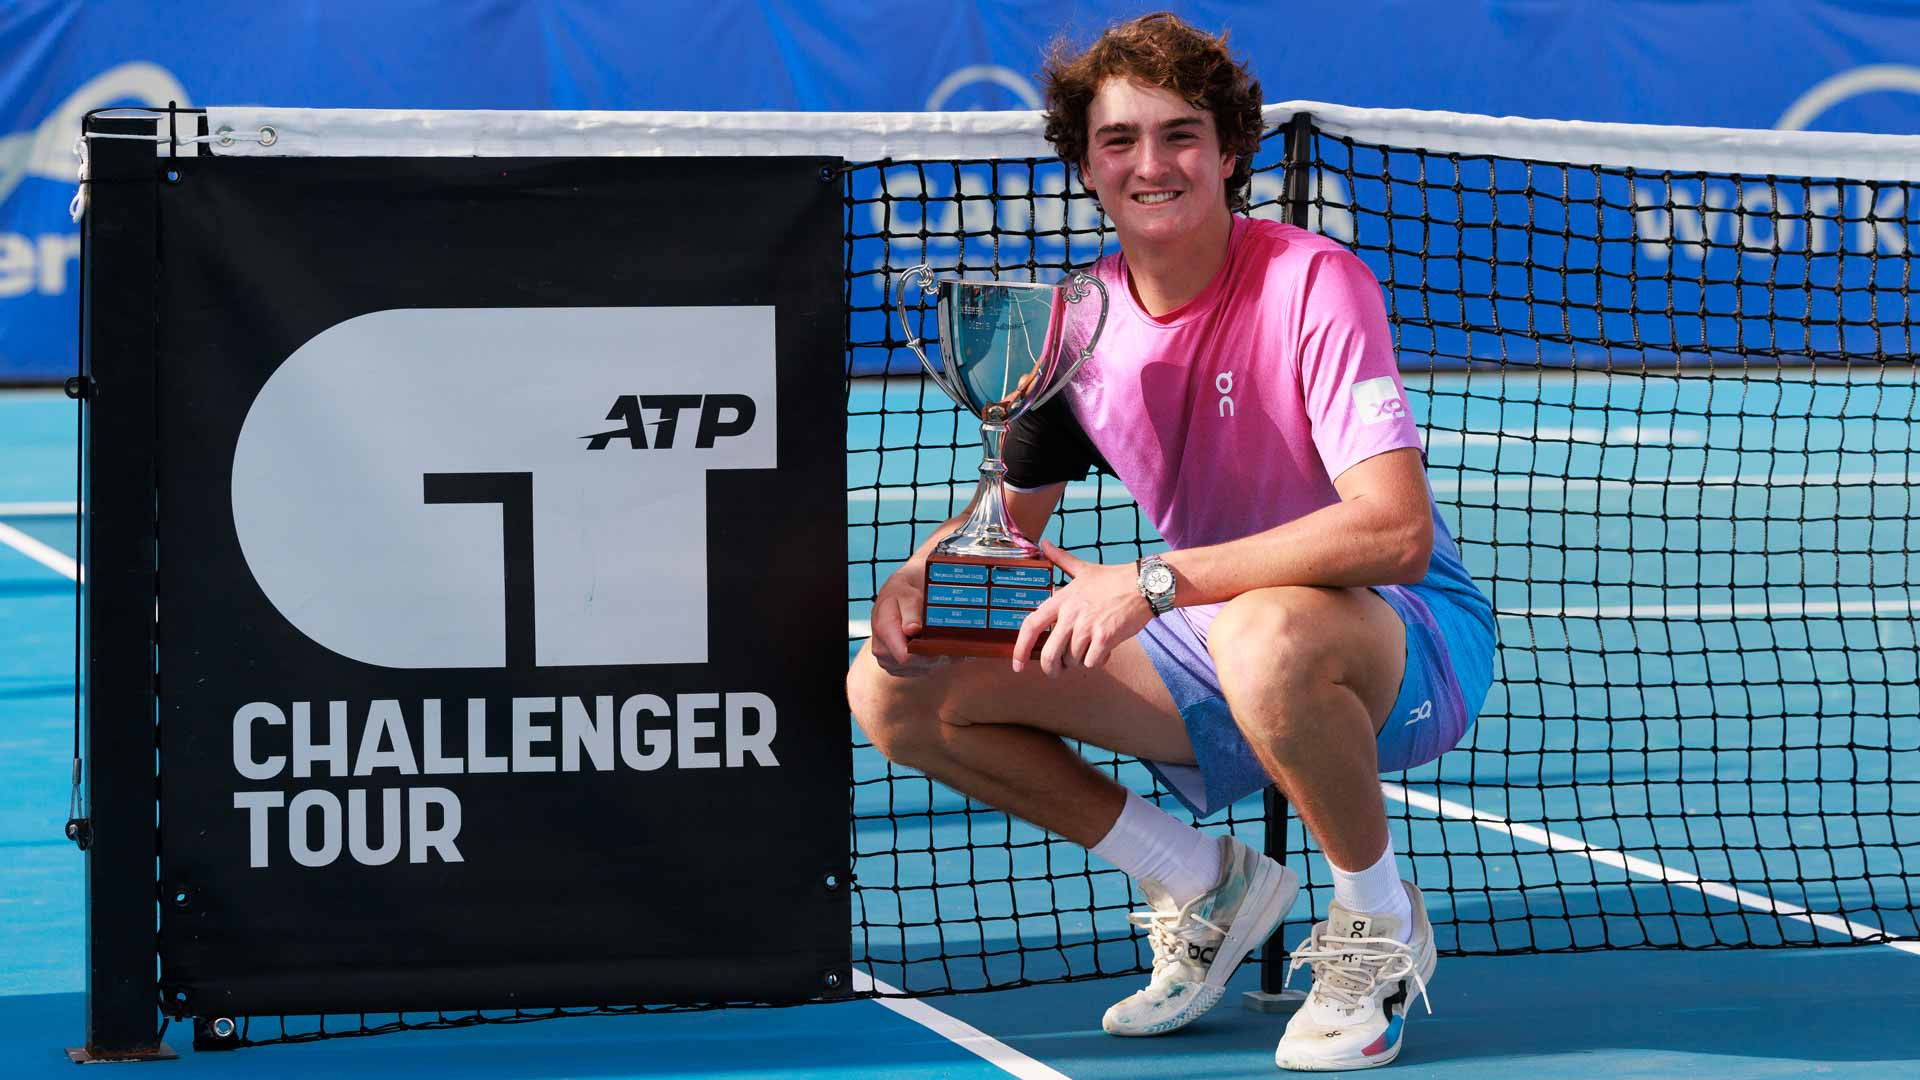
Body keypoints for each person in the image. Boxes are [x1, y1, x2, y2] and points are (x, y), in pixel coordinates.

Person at [846, 11, 1496, 1071]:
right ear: (1088, 168)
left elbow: (1396, 531)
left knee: (1269, 638)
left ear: (1230, 150)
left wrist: (1151, 583)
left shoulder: (1313, 283)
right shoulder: (1077, 323)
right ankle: (1202, 879)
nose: (1152, 163)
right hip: (1212, 627)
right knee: (893, 688)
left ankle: (1377, 922)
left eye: (1181, 134)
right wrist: (923, 583)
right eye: (1120, 141)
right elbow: (1005, 529)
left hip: (1400, 641)